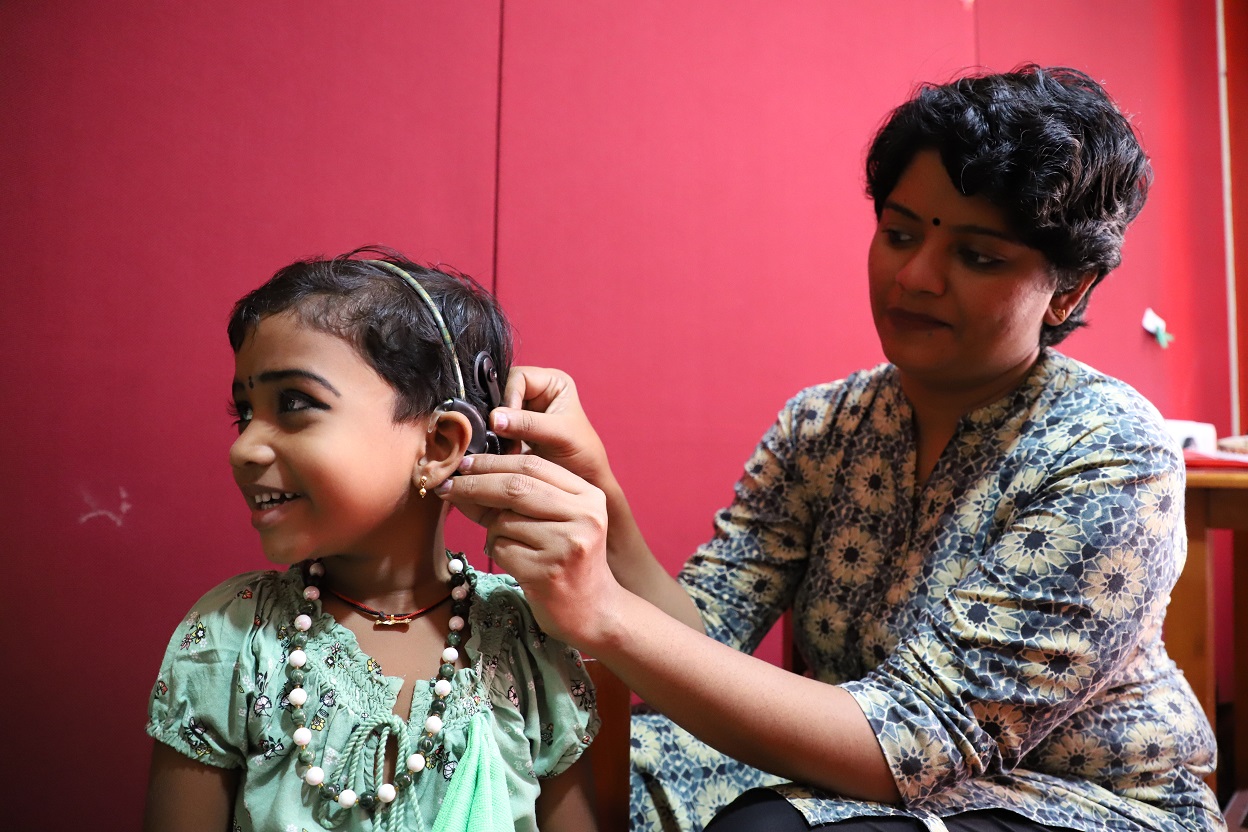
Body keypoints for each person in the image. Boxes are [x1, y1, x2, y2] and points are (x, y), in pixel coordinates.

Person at [435, 66, 1227, 832]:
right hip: (849, 779)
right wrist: (598, 493)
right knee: (540, 770)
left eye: (978, 256)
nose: (916, 276)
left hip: (1075, 801)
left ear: (1069, 290)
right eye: (899, 234)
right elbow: (702, 636)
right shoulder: (823, 427)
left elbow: (913, 743)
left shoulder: (1108, 451)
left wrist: (603, 614)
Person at [143, 249, 600, 832]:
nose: (243, 449)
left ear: (439, 446)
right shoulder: (233, 639)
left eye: (294, 404)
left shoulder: (526, 639)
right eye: (245, 414)